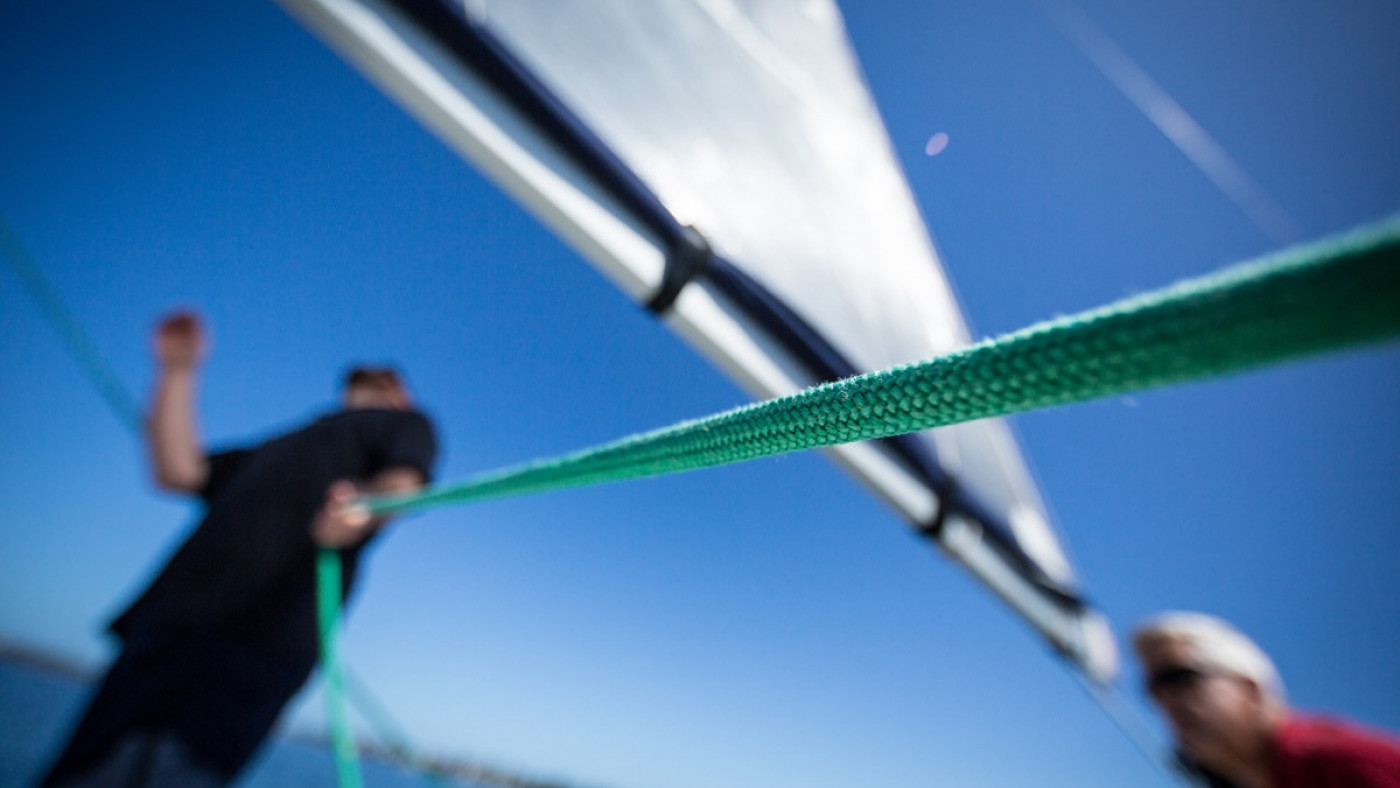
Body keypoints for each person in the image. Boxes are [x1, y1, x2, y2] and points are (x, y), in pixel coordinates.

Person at [36, 310, 439, 787]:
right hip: (166, 629)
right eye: (357, 384)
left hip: (258, 648)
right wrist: (178, 371)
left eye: (379, 384)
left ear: (400, 395)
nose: (366, 393)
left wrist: (361, 511)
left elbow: (404, 481)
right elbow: (179, 471)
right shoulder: (277, 445)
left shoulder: (405, 425)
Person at [1134, 611, 1400, 788]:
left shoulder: (1350, 767)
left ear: (1250, 687)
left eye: (1180, 677)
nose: (1165, 699)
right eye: (1154, 687)